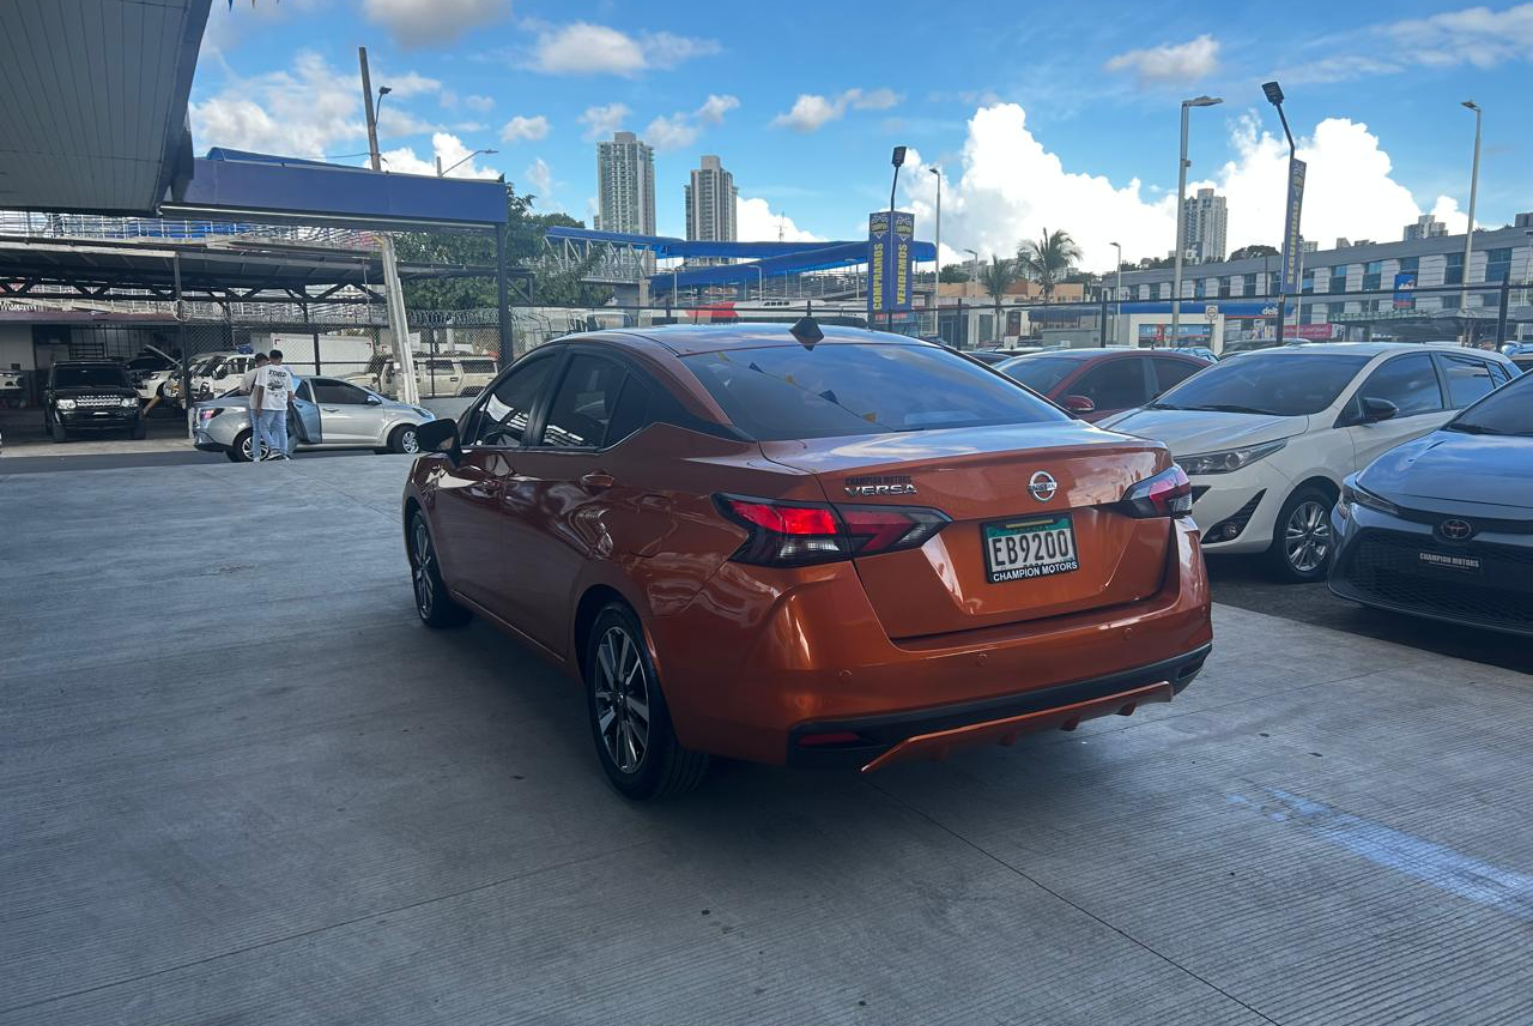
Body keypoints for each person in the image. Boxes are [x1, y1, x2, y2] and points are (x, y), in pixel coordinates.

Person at [249, 349, 294, 461]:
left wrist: (258, 405)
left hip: (268, 404)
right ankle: (283, 453)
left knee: (262, 427)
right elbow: (290, 393)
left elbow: (261, 388)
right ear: (280, 359)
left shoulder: (264, 370)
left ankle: (273, 449)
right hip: (281, 405)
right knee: (282, 429)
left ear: (270, 358)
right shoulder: (286, 373)